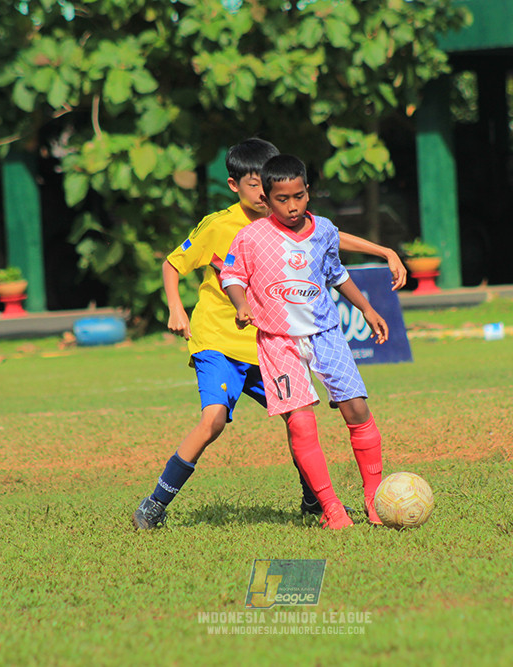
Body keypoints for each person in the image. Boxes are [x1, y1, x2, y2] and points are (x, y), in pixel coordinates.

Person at [133, 139, 406, 530]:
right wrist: (177, 309)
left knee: (299, 420)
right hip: (221, 342)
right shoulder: (229, 228)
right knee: (213, 420)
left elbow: (329, 239)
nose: (266, 195)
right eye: (257, 187)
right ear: (236, 185)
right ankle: (156, 502)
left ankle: (316, 500)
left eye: (273, 188)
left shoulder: (291, 220)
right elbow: (179, 265)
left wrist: (383, 252)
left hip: (267, 343)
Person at [221, 154, 390, 530]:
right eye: (282, 199)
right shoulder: (250, 237)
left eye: (299, 196)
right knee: (301, 424)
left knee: (357, 410)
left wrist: (366, 309)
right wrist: (241, 302)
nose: (292, 205)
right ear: (265, 198)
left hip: (325, 333)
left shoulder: (325, 230)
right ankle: (332, 509)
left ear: (308, 192)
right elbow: (231, 275)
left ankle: (375, 499)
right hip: (278, 342)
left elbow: (337, 274)